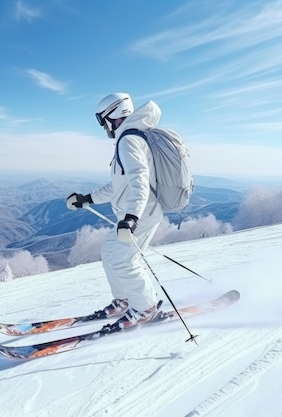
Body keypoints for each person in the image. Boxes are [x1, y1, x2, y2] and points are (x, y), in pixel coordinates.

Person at [66, 92, 165, 331]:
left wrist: (131, 218)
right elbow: (119, 185)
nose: (103, 126)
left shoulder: (129, 141)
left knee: (125, 261)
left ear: (114, 115)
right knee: (110, 253)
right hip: (134, 214)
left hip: (141, 215)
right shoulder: (128, 139)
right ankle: (124, 301)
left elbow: (140, 181)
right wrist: (88, 199)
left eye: (102, 120)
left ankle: (145, 308)